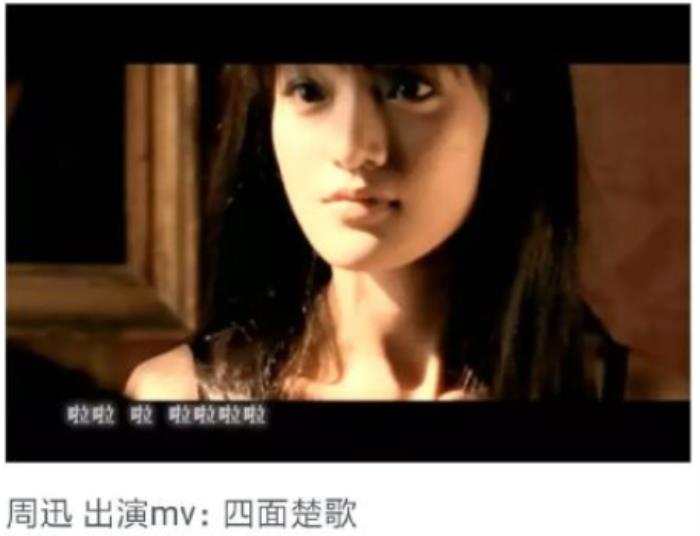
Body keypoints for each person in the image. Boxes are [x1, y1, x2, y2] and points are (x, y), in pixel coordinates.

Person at [125, 63, 592, 401]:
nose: (351, 147)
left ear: (508, 114)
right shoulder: (178, 398)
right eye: (309, 90)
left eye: (408, 87)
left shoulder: (623, 390)